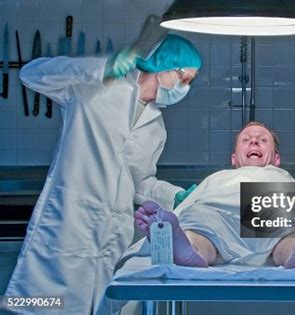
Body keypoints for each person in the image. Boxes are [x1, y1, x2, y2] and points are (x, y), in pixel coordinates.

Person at [5, 34, 201, 314]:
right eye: (185, 78)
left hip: (113, 233)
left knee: (102, 307)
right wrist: (102, 67)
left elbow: (140, 183)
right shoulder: (95, 88)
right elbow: (31, 74)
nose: (185, 88)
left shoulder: (156, 128)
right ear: (164, 66)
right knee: (46, 306)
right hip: (69, 224)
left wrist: (176, 195)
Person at [134, 122, 295, 269]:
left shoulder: (281, 176)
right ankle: (189, 250)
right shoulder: (218, 178)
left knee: (290, 227)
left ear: (276, 159)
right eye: (246, 140)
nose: (254, 142)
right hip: (217, 212)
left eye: (263, 140)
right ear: (234, 158)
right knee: (198, 220)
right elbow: (191, 203)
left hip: (271, 207)